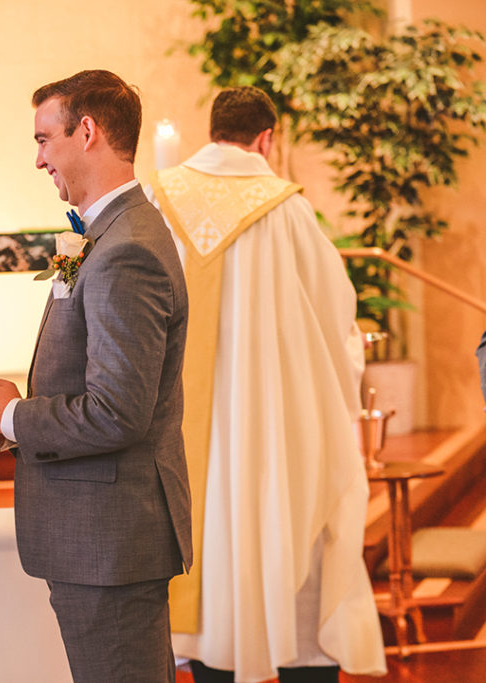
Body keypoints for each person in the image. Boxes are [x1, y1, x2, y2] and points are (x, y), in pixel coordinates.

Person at [0, 70, 192, 682]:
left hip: (108, 539)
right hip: (100, 534)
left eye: (43, 139)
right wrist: (9, 425)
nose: (37, 160)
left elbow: (116, 411)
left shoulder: (125, 249)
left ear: (86, 132)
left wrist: (10, 415)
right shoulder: (107, 234)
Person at [148, 86, 387, 682]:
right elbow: (336, 324)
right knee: (289, 525)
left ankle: (212, 658)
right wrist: (343, 410)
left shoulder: (157, 201)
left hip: (178, 434)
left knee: (204, 538)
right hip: (272, 431)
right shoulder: (288, 209)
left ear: (212, 132)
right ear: (267, 139)